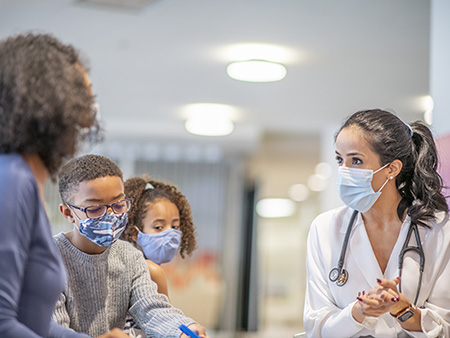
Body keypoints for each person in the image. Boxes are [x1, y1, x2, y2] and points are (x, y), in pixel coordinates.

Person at [0, 33, 128, 338]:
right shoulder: (11, 179)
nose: (90, 111)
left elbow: (31, 320)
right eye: (83, 95)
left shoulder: (26, 182)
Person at [303, 109, 450, 337]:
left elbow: (445, 326)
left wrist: (402, 310)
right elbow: (316, 327)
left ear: (392, 168)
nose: (343, 171)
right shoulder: (324, 228)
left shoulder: (437, 229)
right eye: (340, 159)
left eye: (356, 160)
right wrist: (358, 312)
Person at [54, 154, 208, 338]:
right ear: (68, 213)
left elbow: (152, 308)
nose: (110, 215)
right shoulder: (49, 258)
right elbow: (52, 329)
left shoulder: (130, 257)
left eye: (118, 205)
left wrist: (183, 329)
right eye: (95, 209)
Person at [121, 176, 197, 297]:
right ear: (135, 233)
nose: (170, 234)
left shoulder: (130, 265)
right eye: (158, 227)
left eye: (175, 226)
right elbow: (167, 316)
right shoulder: (152, 271)